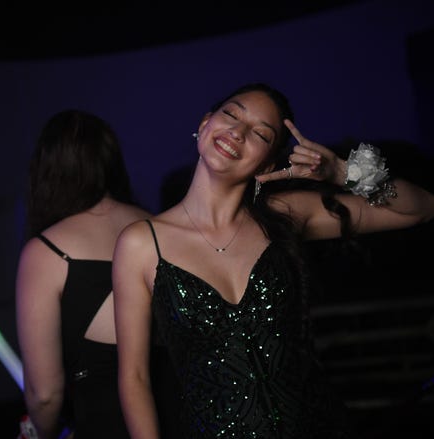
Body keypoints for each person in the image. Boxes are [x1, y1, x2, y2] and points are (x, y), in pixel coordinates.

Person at [112, 82, 434, 438]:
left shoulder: (286, 214)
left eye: (260, 134)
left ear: (269, 162)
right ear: (205, 124)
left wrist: (342, 172)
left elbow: (419, 209)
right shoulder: (142, 243)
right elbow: (134, 377)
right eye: (231, 114)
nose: (237, 132)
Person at [15, 109, 150, 439]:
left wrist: (39, 434)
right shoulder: (157, 226)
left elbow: (45, 395)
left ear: (47, 171)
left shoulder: (45, 252)